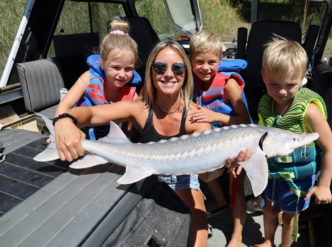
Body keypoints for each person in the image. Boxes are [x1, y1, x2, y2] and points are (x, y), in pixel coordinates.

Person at [52, 40, 251, 247]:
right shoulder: (140, 108)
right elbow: (91, 113)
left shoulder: (195, 118)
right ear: (150, 73)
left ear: (185, 73)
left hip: (181, 180)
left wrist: (223, 165)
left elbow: (205, 175)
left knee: (198, 228)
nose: (168, 74)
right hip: (143, 174)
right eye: (159, 68)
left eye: (177, 68)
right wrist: (66, 120)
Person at [254, 38, 332, 247]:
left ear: (302, 78)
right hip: (272, 172)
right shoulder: (265, 104)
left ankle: (285, 245)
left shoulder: (309, 111)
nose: (281, 92)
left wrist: (324, 185)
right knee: (269, 208)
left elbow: (329, 148)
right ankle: (267, 241)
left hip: (297, 179)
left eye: (290, 85)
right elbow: (261, 140)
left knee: (289, 216)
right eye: (274, 84)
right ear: (263, 75)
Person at [189, 30, 251, 247]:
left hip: (236, 142)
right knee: (204, 172)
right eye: (199, 62)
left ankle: (237, 236)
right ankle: (220, 200)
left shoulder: (228, 84)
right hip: (212, 144)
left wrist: (213, 116)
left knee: (237, 187)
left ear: (220, 61)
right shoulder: (192, 84)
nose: (205, 68)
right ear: (191, 61)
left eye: (211, 62)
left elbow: (244, 119)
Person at [54, 18, 141, 140]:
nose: (122, 74)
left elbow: (128, 128)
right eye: (116, 67)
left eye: (128, 69)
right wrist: (58, 131)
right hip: (79, 132)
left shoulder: (131, 95)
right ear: (102, 64)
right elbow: (64, 105)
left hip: (109, 140)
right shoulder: (88, 78)